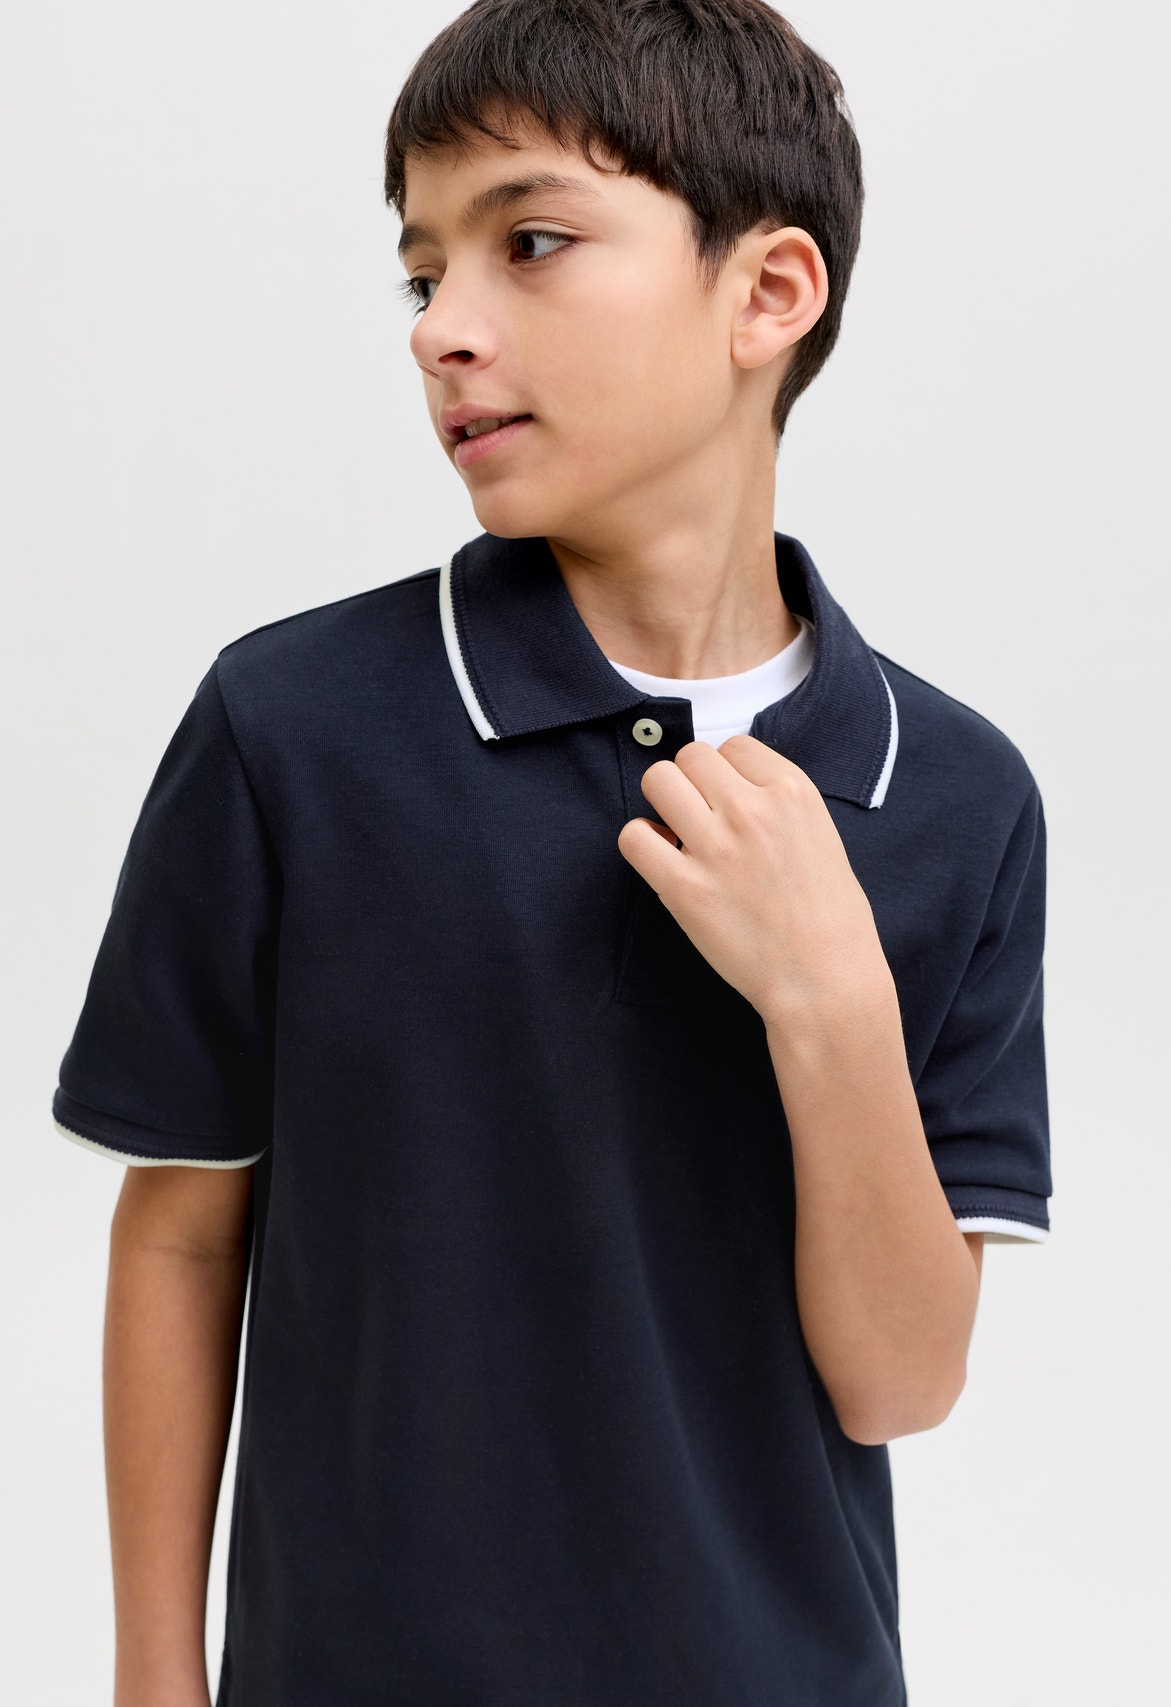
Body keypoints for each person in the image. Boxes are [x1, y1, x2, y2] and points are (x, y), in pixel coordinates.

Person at [51, 2, 1053, 1702]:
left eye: (529, 243)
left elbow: (899, 1383)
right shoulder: (291, 729)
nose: (444, 330)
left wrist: (830, 998)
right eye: (421, 274)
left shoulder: (953, 796)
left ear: (768, 292)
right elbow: (182, 1233)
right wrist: (158, 1681)